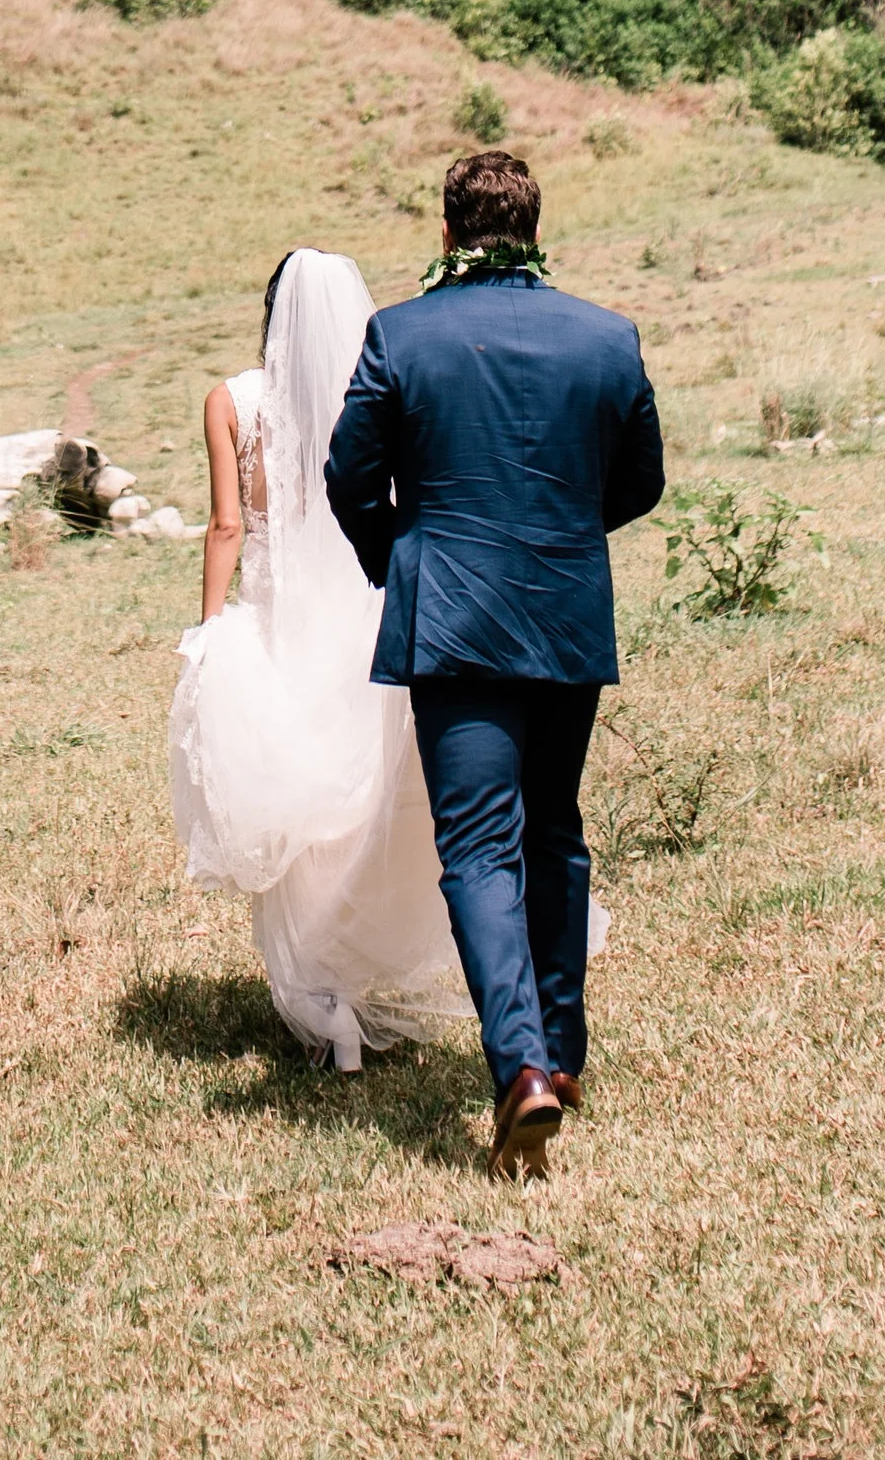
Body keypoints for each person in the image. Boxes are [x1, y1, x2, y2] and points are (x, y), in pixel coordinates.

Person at [325, 148, 665, 1179]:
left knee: (478, 847)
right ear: (532, 229)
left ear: (445, 235)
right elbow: (640, 482)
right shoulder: (607, 336)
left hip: (454, 628)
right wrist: (557, 532)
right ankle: (560, 1061)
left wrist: (403, 558)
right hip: (563, 615)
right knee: (555, 833)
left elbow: (348, 478)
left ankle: (516, 1066)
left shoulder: (399, 333)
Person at [167, 248, 469, 1069]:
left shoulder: (230, 401)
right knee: (357, 798)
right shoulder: (376, 390)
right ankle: (344, 980)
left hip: (279, 624)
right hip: (365, 620)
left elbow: (228, 526)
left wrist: (209, 628)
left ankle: (321, 997)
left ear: (272, 313)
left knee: (291, 803)